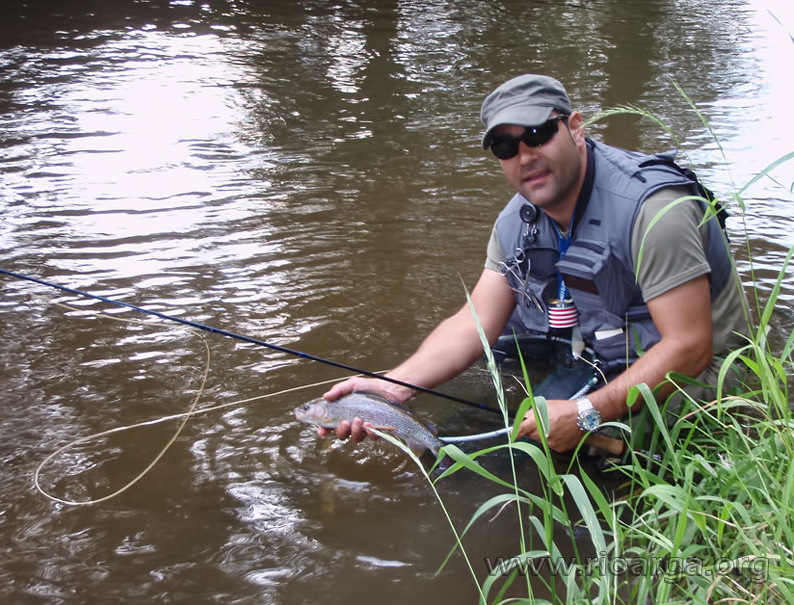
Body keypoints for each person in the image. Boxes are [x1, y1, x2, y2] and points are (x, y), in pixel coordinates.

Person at [318, 74, 747, 453]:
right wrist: (395, 387)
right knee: (488, 419)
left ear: (575, 128)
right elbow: (476, 322)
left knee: (531, 460)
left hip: (701, 379)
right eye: (506, 146)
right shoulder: (515, 222)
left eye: (539, 134)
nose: (525, 156)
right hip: (601, 355)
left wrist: (585, 415)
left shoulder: (654, 212)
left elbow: (690, 348)